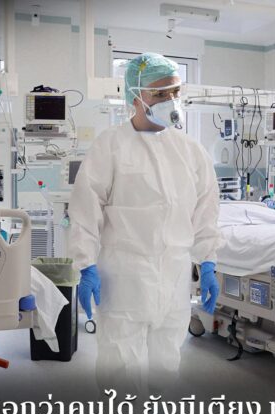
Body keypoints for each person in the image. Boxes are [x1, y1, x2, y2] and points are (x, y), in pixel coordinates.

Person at [68, 52, 222, 393]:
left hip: (174, 277)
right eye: (160, 94)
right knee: (120, 366)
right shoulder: (111, 145)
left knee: (166, 363)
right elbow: (84, 211)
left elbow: (206, 212)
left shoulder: (191, 151)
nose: (171, 100)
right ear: (135, 96)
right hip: (124, 277)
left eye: (175, 91)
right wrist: (85, 265)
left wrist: (208, 262)